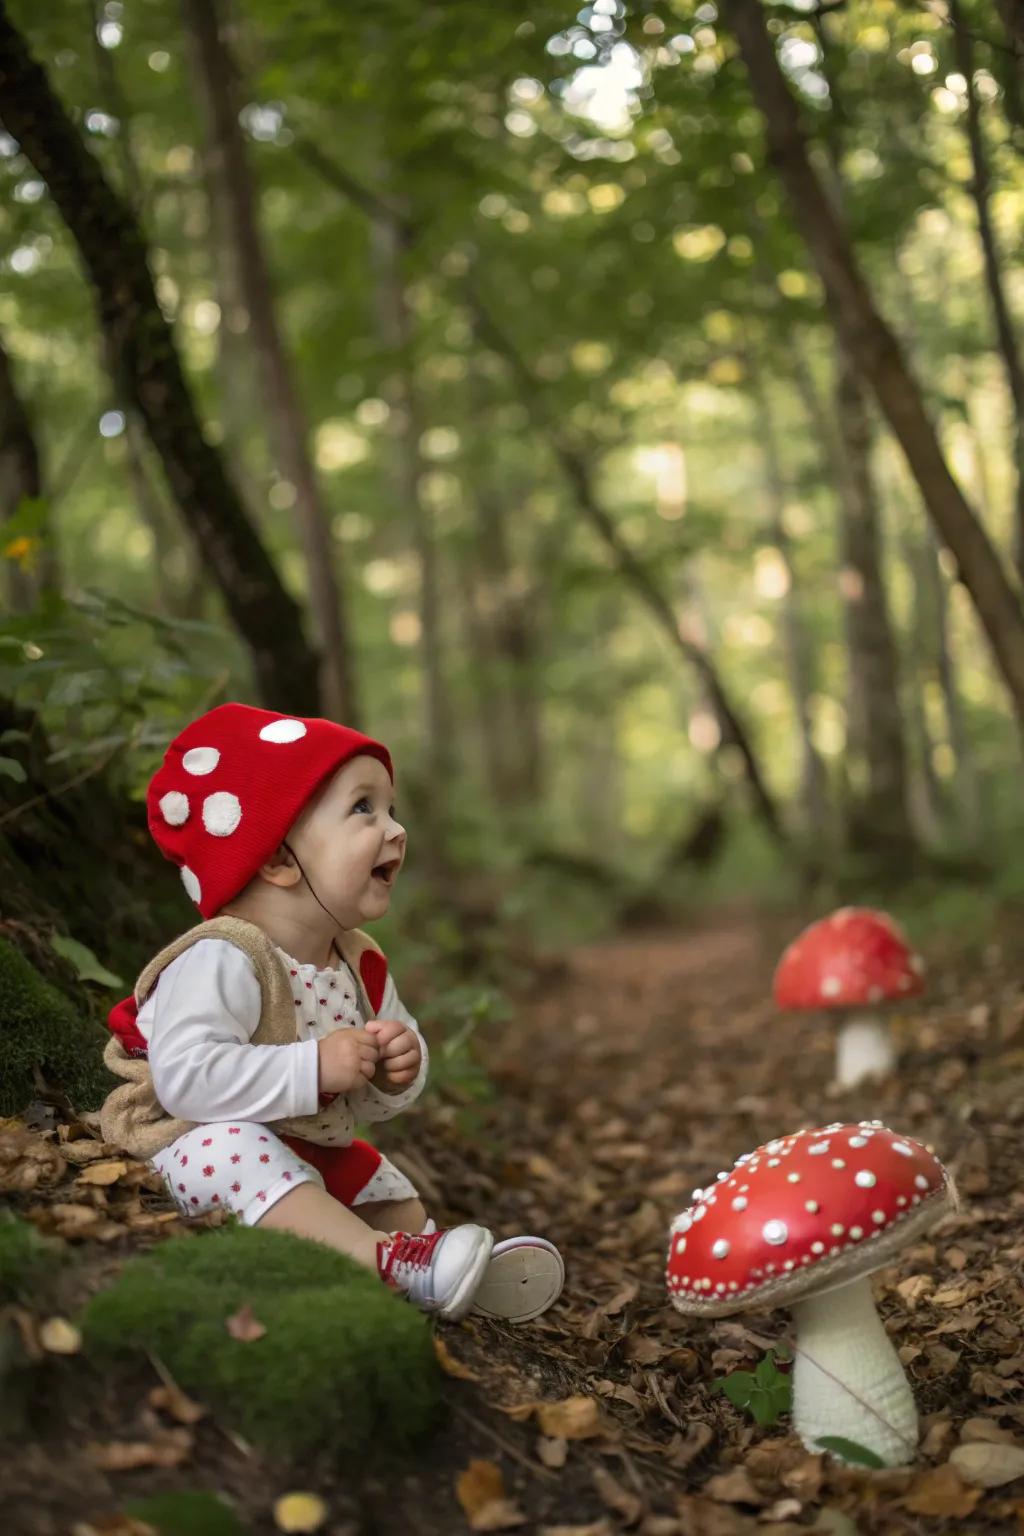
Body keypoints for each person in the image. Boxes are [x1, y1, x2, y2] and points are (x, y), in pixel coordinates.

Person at [100, 702, 564, 1324]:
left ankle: (435, 1263)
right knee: (239, 1150)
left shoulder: (355, 961)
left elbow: (362, 1101)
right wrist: (313, 1065)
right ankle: (392, 1262)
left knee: (382, 1182)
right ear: (278, 859)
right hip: (192, 1150)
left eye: (392, 809)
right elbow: (185, 1081)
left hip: (303, 1147)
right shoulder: (224, 956)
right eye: (363, 808)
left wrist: (397, 1068)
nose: (396, 830)